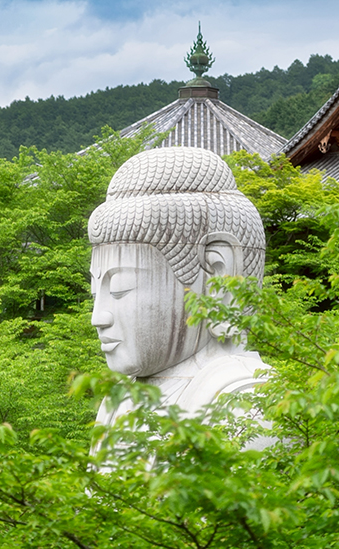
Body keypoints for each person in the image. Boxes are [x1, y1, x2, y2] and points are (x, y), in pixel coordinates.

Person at [88, 146, 268, 429]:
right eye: (95, 293)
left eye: (120, 289)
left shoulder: (247, 404)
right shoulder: (118, 403)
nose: (98, 317)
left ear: (218, 278)